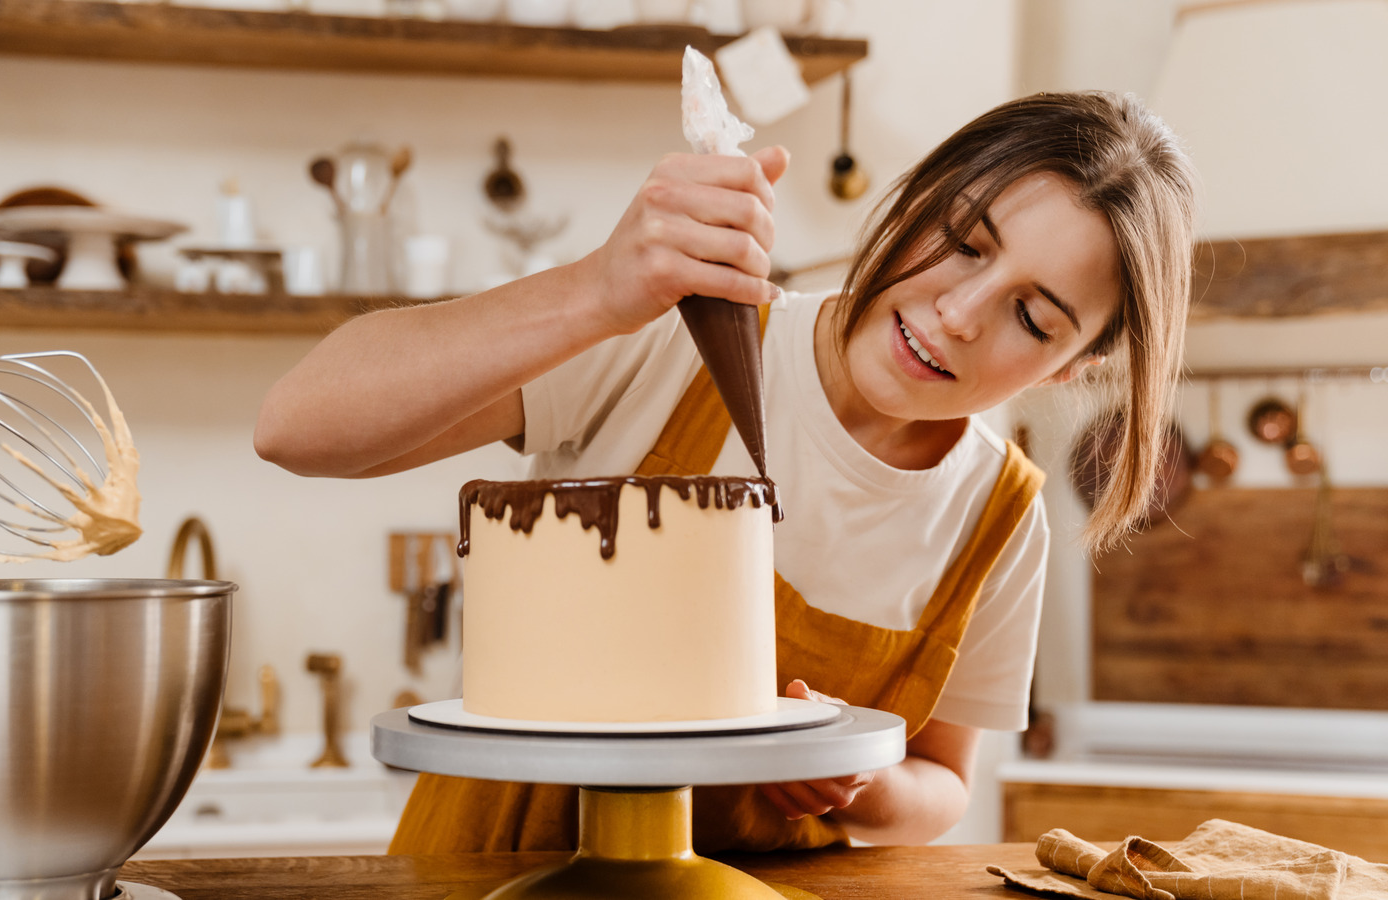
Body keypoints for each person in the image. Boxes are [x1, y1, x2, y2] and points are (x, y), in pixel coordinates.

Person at [255, 90, 1198, 851]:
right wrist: (596, 289)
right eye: (963, 239)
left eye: (1035, 319)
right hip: (491, 870)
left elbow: (945, 784)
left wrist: (856, 784)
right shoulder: (668, 337)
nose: (961, 313)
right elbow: (297, 428)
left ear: (1075, 367)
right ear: (917, 197)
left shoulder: (996, 512)